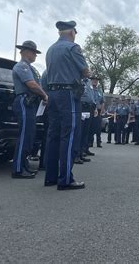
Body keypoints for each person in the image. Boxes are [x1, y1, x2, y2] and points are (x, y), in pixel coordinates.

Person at [45, 21, 89, 190]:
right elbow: (85, 71)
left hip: (53, 93)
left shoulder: (50, 49)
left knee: (53, 135)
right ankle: (65, 179)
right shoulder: (73, 48)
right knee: (69, 135)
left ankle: (50, 177)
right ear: (71, 32)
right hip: (68, 94)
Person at [11, 41, 48, 179]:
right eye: (34, 53)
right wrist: (44, 95)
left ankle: (24, 165)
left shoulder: (30, 68)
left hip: (31, 103)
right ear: (27, 51)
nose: (35, 56)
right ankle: (18, 169)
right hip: (24, 101)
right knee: (25, 135)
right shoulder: (22, 66)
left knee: (30, 136)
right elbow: (31, 84)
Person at [75, 77, 95, 164]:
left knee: (85, 132)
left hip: (89, 108)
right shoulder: (79, 80)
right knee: (79, 132)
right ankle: (75, 155)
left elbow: (91, 96)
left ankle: (81, 153)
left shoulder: (89, 83)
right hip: (82, 107)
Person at [90, 77, 105, 148]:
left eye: (96, 80)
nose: (95, 81)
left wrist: (101, 111)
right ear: (91, 81)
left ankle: (99, 142)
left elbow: (102, 102)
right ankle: (90, 143)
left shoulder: (100, 91)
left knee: (98, 128)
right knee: (90, 127)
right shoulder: (89, 89)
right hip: (91, 110)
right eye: (93, 80)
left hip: (98, 111)